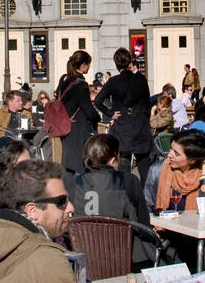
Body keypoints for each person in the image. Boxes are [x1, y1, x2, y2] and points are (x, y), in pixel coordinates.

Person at [72, 134, 152, 261]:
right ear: (112, 160)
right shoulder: (128, 181)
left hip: (85, 257)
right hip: (124, 258)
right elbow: (144, 224)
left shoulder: (74, 183)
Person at [95, 47, 154, 181]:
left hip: (123, 125)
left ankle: (125, 196)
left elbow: (98, 101)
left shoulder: (113, 81)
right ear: (130, 62)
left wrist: (111, 113)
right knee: (144, 166)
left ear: (116, 64)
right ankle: (146, 199)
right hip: (139, 125)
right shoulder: (140, 79)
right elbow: (147, 104)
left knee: (123, 166)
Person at [55, 50, 99, 186]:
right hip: (78, 127)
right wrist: (97, 117)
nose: (89, 67)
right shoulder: (81, 85)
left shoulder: (64, 79)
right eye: (88, 64)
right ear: (84, 65)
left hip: (64, 124)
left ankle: (66, 192)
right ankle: (79, 194)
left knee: (68, 162)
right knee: (80, 163)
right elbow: (87, 108)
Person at [151, 129, 205, 213]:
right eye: (171, 149)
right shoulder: (157, 170)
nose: (169, 155)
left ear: (192, 160)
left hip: (192, 225)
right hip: (163, 223)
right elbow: (147, 205)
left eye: (176, 154)